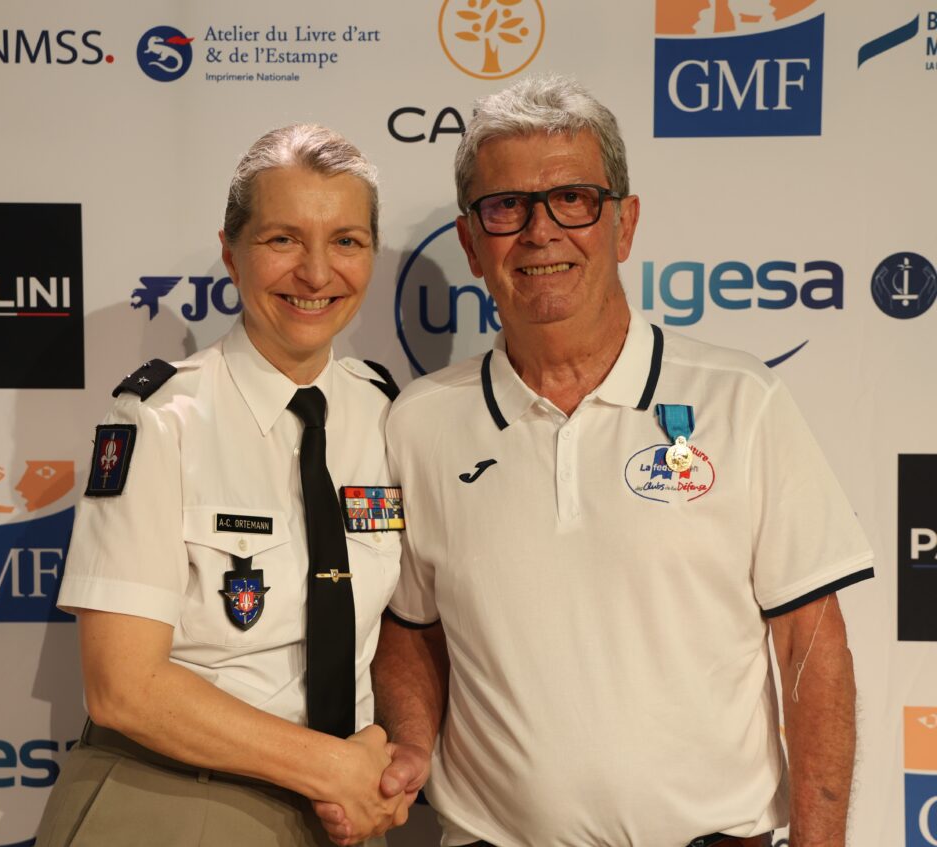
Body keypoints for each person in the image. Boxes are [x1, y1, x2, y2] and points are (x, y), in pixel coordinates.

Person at [316, 75, 873, 847]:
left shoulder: (742, 401)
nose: (540, 231)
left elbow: (811, 643)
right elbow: (411, 629)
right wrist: (411, 740)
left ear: (624, 222)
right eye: (506, 207)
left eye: (573, 198)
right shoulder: (418, 423)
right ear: (472, 243)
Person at [36, 124, 409, 847]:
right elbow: (122, 687)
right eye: (282, 239)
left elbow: (400, 627)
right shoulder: (157, 419)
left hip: (344, 813)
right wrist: (331, 767)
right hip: (173, 802)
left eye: (346, 241)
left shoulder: (389, 413)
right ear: (231, 253)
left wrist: (386, 767)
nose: (316, 273)